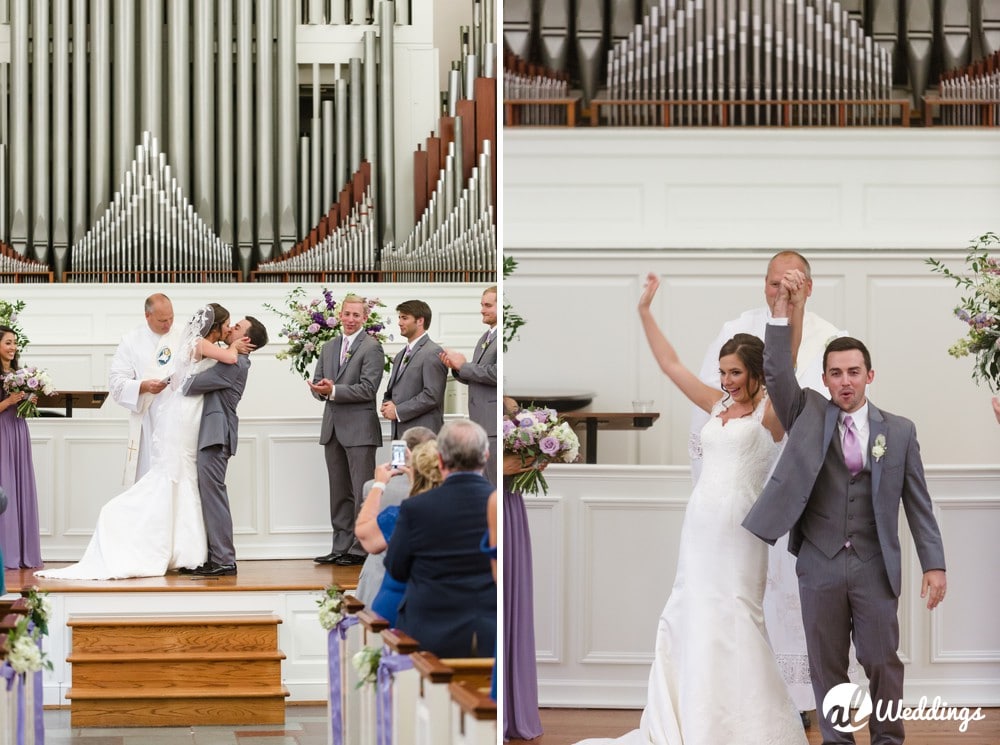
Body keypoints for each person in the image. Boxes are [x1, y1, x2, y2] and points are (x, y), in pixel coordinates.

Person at [576, 273, 807, 745]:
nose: (725, 381)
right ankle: (689, 721)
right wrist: (644, 311)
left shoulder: (772, 410)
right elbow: (671, 364)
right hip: (700, 526)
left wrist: (791, 309)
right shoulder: (716, 403)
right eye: (723, 372)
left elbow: (790, 362)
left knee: (736, 616)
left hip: (741, 532)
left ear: (758, 373)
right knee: (691, 612)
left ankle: (742, 728)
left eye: (735, 373)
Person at [743, 269, 947, 745]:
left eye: (854, 372)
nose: (845, 381)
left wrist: (934, 565)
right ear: (825, 378)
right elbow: (775, 372)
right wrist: (781, 313)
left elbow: (918, 505)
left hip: (875, 564)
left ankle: (888, 739)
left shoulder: (899, 431)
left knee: (882, 661)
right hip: (820, 562)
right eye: (835, 373)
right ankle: (837, 741)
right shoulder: (807, 412)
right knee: (827, 665)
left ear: (869, 376)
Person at [691, 250, 847, 719]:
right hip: (748, 478)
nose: (780, 290)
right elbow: (711, 401)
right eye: (773, 282)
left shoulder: (832, 336)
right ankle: (742, 692)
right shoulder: (735, 328)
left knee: (801, 591)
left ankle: (803, 699)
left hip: (807, 482)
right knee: (745, 591)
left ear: (809, 286)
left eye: (791, 282)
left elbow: (842, 407)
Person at [36, 305, 254, 580]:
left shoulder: (221, 354)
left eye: (236, 328)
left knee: (189, 481)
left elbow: (200, 375)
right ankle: (189, 550)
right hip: (188, 417)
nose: (230, 329)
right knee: (183, 477)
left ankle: (194, 551)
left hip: (196, 419)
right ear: (215, 326)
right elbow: (201, 374)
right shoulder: (203, 345)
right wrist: (234, 347)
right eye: (228, 325)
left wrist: (232, 349)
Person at [383, 419, 495, 659]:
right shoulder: (498, 506)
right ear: (485, 456)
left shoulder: (416, 507)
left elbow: (396, 568)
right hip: (489, 633)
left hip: (429, 635)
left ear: (441, 459)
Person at [182, 315, 268, 577]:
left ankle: (224, 560)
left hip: (216, 435)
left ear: (246, 340)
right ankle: (213, 555)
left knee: (214, 497)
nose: (231, 328)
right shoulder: (229, 357)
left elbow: (191, 385)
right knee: (208, 496)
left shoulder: (236, 364)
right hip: (211, 433)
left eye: (238, 328)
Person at [308, 294, 385, 567]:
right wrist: (320, 390)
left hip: (360, 430)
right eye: (347, 314)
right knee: (339, 492)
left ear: (365, 318)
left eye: (356, 315)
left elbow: (368, 389)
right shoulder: (329, 347)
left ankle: (360, 548)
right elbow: (320, 383)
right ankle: (340, 545)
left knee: (362, 490)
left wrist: (335, 390)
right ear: (340, 315)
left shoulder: (372, 348)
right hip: (332, 429)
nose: (350, 319)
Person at [359, 440, 443, 625]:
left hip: (395, 607)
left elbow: (365, 536)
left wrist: (379, 485)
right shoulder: (461, 510)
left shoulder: (405, 514)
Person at [502, 395, 544, 741]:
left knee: (512, 597)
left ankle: (513, 709)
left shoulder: (511, 406)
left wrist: (536, 458)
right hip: (494, 500)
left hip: (508, 502)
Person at [108, 293, 182, 486]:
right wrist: (143, 385)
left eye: (171, 318)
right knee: (148, 482)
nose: (168, 325)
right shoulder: (131, 341)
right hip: (147, 421)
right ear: (147, 316)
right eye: (162, 320)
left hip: (178, 419)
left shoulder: (182, 336)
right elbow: (116, 383)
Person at [440, 286, 498, 484]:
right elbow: (478, 375)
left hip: (494, 422)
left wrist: (465, 366)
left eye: (488, 305)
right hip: (480, 421)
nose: (482, 310)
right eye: (482, 305)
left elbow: (497, 374)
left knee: (494, 483)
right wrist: (457, 369)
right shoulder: (485, 337)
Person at [0, 325, 43, 569]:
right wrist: (8, 401)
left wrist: (29, 400)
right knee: (5, 485)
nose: (13, 347)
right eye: (8, 342)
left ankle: (24, 550)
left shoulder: (19, 373)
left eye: (14, 343)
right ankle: (7, 551)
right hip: (2, 431)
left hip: (18, 429)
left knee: (19, 485)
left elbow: (20, 404)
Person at [381, 299, 447, 439]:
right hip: (399, 434)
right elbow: (394, 391)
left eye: (404, 318)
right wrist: (387, 405)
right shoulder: (400, 355)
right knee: (398, 463)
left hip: (423, 436)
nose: (399, 322)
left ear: (420, 321)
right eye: (399, 318)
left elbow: (432, 396)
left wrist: (398, 411)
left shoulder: (433, 352)